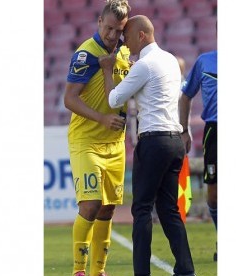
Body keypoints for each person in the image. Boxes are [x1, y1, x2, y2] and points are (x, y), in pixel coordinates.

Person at [99, 15, 196, 276]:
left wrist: (109, 69)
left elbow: (113, 99)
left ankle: (142, 273)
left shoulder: (144, 66)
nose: (124, 43)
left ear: (141, 35)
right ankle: (186, 269)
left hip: (153, 141)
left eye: (127, 37)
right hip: (174, 140)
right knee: (168, 209)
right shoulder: (171, 61)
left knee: (141, 209)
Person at [63, 1, 131, 275]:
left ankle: (98, 271)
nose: (113, 35)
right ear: (99, 22)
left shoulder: (126, 53)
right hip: (86, 141)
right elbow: (69, 98)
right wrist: (102, 118)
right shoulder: (86, 54)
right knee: (90, 205)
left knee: (107, 210)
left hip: (115, 143)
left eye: (119, 30)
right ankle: (79, 270)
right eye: (109, 28)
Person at [178, 49, 218, 261]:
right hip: (215, 131)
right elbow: (185, 96)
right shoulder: (205, 61)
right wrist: (184, 130)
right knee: (214, 194)